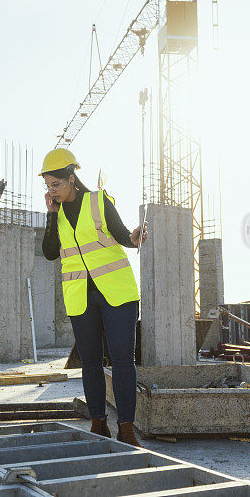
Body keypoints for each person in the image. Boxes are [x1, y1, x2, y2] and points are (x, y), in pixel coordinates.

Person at [39, 148, 148, 446]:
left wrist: (135, 238)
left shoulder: (99, 201)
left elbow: (123, 235)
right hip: (80, 295)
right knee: (89, 361)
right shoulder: (57, 214)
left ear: (71, 178)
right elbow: (49, 253)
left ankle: (126, 428)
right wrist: (51, 216)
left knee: (123, 360)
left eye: (55, 184)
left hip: (117, 292)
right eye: (48, 185)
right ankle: (99, 425)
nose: (52, 191)